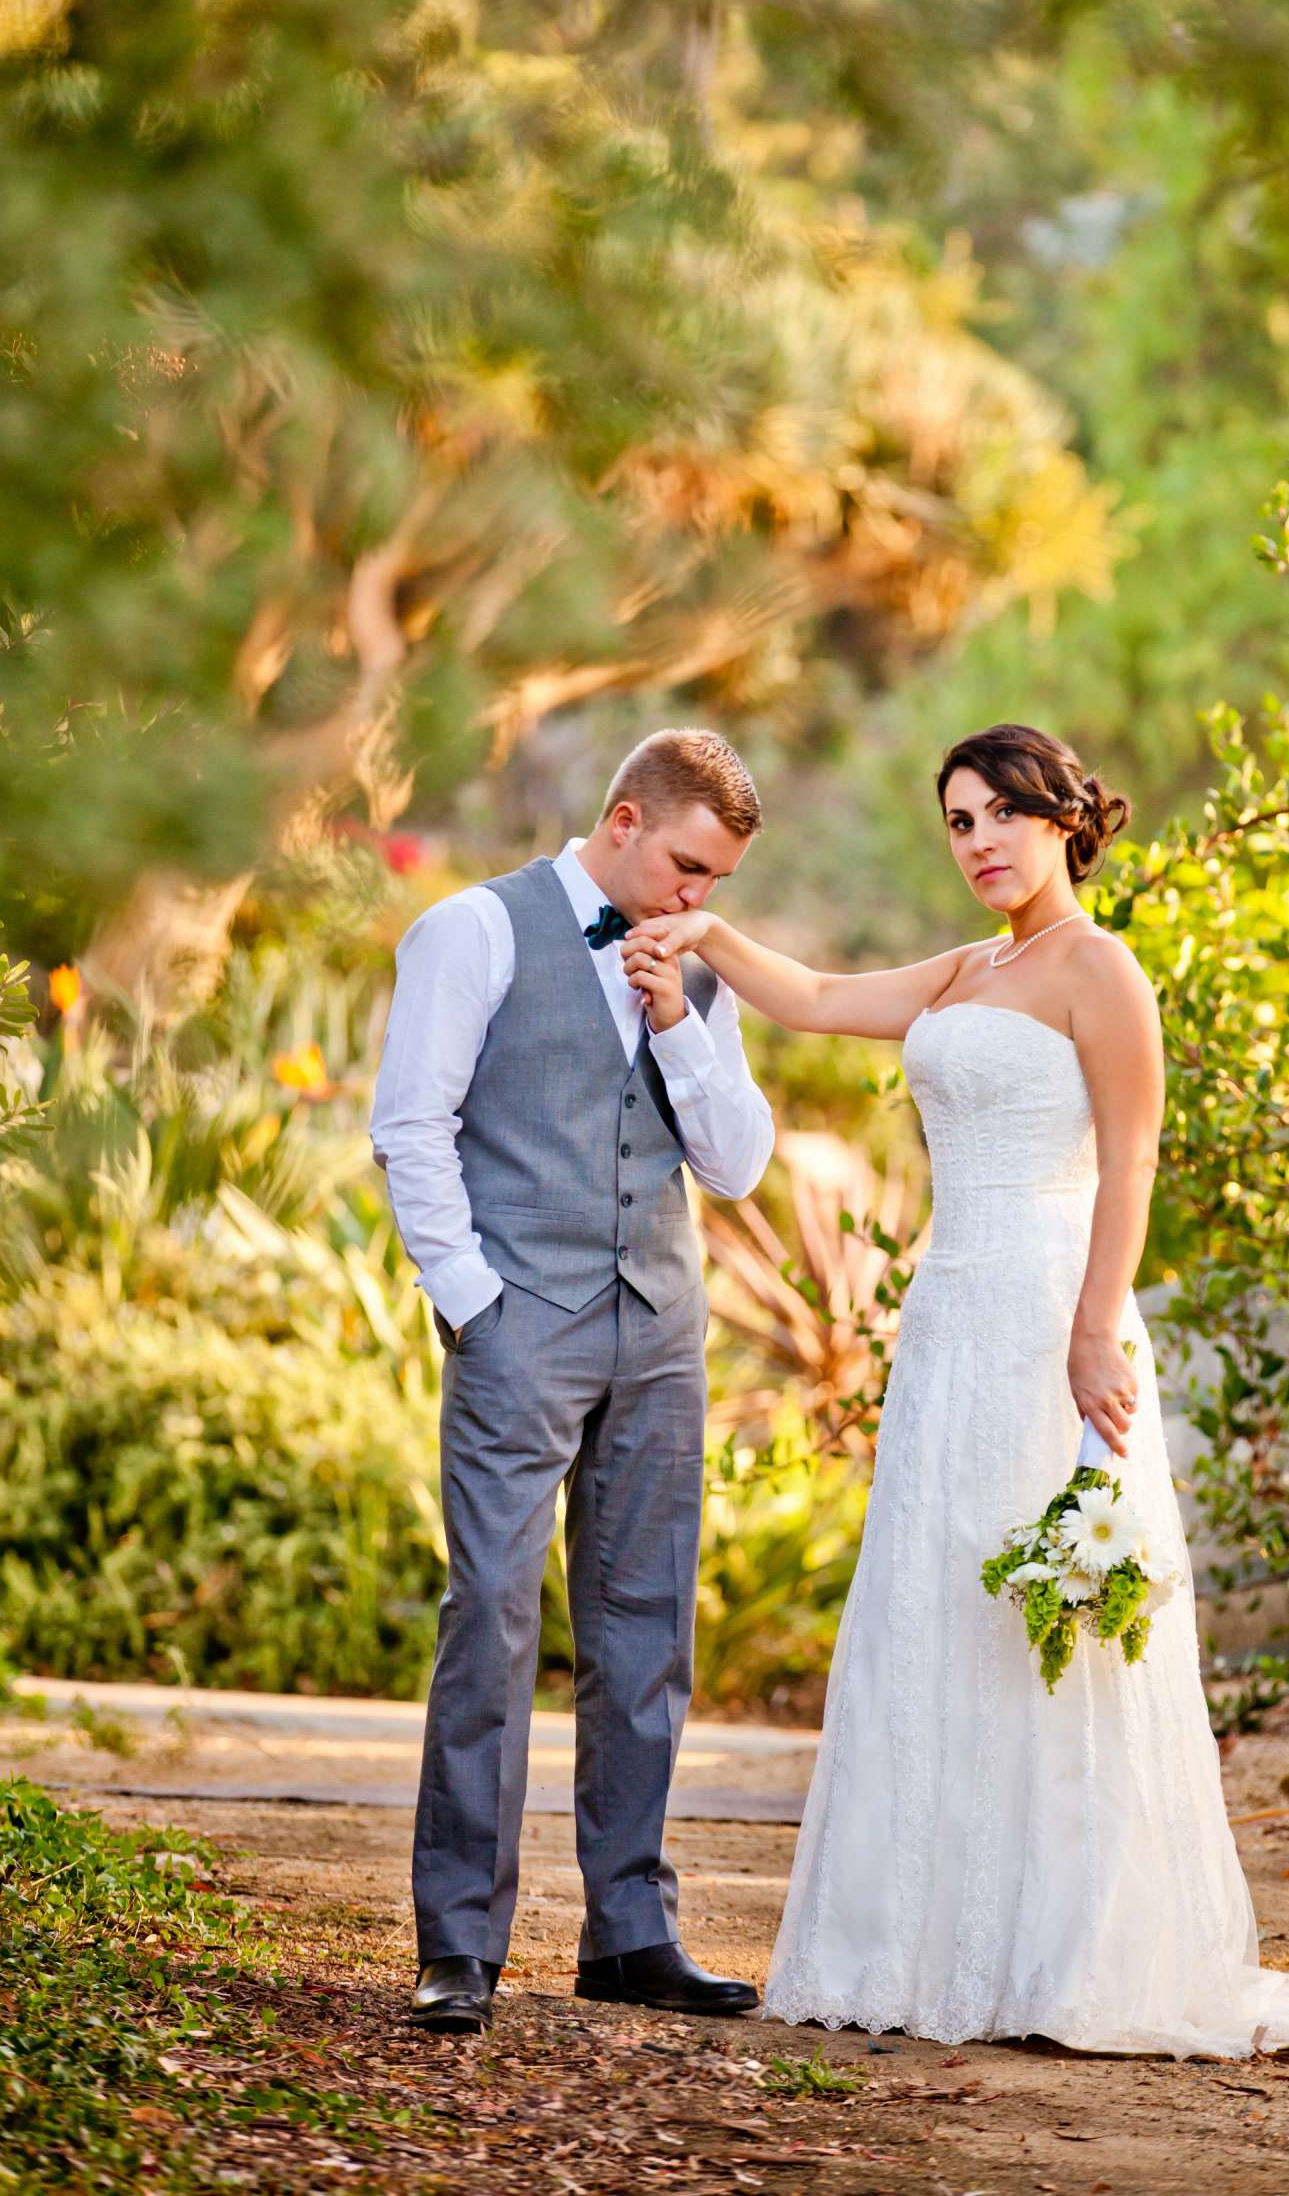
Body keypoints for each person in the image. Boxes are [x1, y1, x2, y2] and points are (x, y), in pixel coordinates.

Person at [621, 721, 1289, 2057]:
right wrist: (705, 943)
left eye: (998, 815)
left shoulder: (1101, 970)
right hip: (949, 1323)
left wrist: (1098, 1329)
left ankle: (1065, 1952)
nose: (978, 843)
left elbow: (1136, 1160)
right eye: (958, 823)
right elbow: (813, 995)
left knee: (1056, 1614)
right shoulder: (974, 966)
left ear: (1060, 818)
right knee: (936, 1603)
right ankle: (919, 1947)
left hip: (1052, 1317)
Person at [371, 729, 776, 2034]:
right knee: (488, 1613)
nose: (695, 897)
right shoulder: (473, 931)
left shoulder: (693, 965)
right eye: (686, 867)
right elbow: (409, 1123)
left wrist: (677, 1015)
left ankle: (632, 1933)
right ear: (622, 819)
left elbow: (737, 1164)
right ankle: (461, 1942)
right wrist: (473, 1299)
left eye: (716, 880)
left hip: (659, 1326)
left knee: (646, 1623)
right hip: (521, 1318)